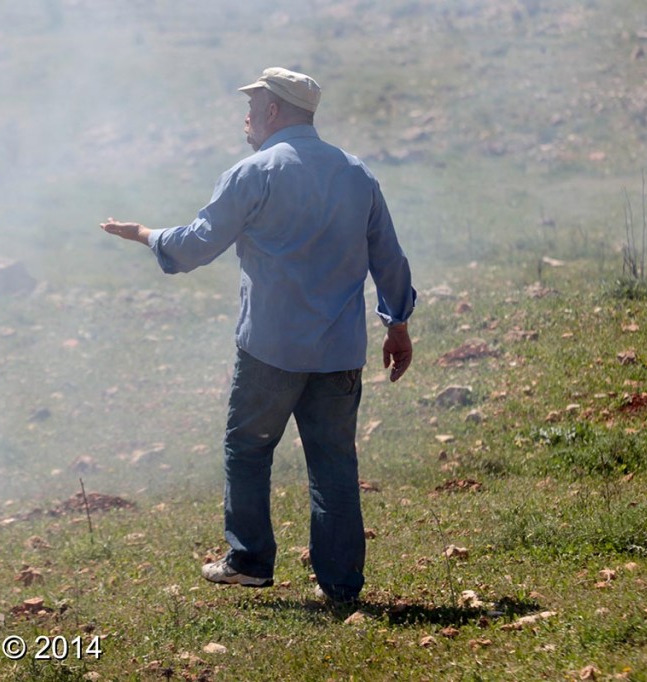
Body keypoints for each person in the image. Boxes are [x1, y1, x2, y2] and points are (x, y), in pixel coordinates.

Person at [100, 67, 415, 603]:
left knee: (247, 449)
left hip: (270, 348)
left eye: (253, 106)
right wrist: (398, 325)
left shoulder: (255, 172)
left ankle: (248, 561)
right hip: (338, 352)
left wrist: (145, 235)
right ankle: (340, 586)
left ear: (274, 112)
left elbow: (197, 246)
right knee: (334, 463)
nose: (245, 117)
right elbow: (388, 258)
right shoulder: (356, 174)